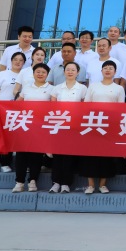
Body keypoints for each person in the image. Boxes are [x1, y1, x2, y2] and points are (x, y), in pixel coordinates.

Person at [81, 60, 125, 194]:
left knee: (106, 155)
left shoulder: (119, 88)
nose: (108, 70)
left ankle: (102, 185)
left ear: (115, 72)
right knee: (91, 154)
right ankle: (90, 185)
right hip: (93, 123)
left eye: (111, 68)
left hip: (109, 125)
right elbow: (86, 104)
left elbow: (121, 108)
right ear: (101, 71)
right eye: (105, 68)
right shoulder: (93, 86)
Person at [13, 63, 53, 192]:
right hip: (25, 125)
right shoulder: (26, 88)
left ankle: (33, 181)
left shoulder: (52, 89)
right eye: (38, 72)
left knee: (36, 155)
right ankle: (19, 182)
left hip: (41, 126)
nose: (40, 74)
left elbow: (55, 107)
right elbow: (17, 104)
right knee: (21, 154)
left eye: (43, 72)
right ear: (33, 73)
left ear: (47, 74)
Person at [49, 61, 88, 193]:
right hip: (59, 125)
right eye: (68, 69)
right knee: (57, 155)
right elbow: (52, 107)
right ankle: (55, 182)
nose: (70, 72)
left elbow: (84, 107)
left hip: (74, 126)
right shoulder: (57, 88)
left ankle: (66, 183)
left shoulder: (82, 88)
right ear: (64, 72)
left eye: (73, 70)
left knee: (69, 155)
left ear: (78, 72)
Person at [0, 52, 25, 173]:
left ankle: (5, 163)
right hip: (0, 110)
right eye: (15, 59)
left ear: (24, 63)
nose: (17, 62)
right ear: (11, 61)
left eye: (20, 60)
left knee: (9, 137)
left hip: (15, 112)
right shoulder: (3, 74)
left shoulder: (24, 75)